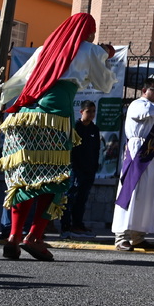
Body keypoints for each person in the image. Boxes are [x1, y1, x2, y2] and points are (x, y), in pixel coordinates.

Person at [0, 12, 116, 262]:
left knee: (24, 179)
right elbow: (105, 84)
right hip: (54, 118)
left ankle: (14, 236)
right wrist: (104, 56)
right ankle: (35, 236)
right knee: (55, 179)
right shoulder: (90, 49)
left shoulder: (43, 50)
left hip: (24, 118)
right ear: (89, 32)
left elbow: (16, 82)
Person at [112, 79, 154, 251]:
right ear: (144, 90)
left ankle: (138, 236)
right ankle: (121, 237)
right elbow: (145, 112)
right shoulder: (138, 104)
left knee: (147, 194)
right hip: (138, 152)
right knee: (132, 191)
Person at [66, 100, 101, 236]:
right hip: (76, 169)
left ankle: (78, 224)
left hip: (89, 169)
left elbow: (96, 149)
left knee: (82, 198)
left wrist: (94, 166)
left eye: (93, 111)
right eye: (88, 111)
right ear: (81, 112)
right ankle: (66, 225)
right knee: (71, 197)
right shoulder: (75, 127)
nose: (91, 114)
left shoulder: (94, 129)